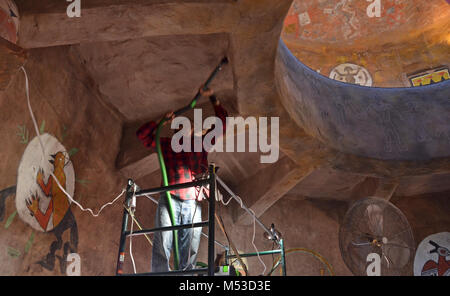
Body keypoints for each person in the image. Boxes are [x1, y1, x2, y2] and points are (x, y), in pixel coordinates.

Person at [136, 87, 228, 272]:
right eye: (179, 126)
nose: (183, 129)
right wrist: (159, 121)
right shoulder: (167, 145)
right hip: (168, 199)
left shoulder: (201, 144)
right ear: (174, 130)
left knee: (189, 250)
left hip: (192, 202)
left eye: (187, 126)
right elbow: (142, 135)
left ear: (193, 129)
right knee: (162, 242)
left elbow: (222, 124)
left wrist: (214, 99)